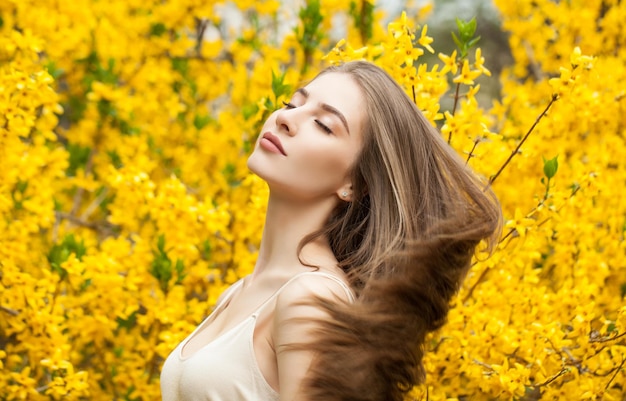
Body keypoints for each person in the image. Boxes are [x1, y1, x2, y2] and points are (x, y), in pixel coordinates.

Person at [160, 60, 502, 401]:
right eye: (292, 104)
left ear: (354, 184)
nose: (285, 119)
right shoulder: (238, 293)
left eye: (324, 125)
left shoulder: (312, 298)